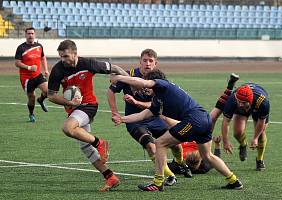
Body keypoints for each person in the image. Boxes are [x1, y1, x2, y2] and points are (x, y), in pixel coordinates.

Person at [110, 69, 243, 191]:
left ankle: (157, 182)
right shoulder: (158, 99)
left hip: (193, 120)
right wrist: (122, 119)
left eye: (147, 86)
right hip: (204, 119)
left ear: (153, 83)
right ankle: (234, 181)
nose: (145, 89)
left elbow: (141, 82)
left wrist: (120, 78)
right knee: (207, 156)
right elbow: (143, 115)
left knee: (160, 143)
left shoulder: (163, 84)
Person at [47, 39, 128, 192]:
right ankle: (110, 177)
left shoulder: (88, 64)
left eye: (65, 56)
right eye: (61, 57)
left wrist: (130, 82)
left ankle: (100, 143)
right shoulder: (58, 70)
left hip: (89, 106)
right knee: (86, 148)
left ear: (75, 53)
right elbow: (51, 95)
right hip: (74, 109)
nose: (63, 60)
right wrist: (69, 102)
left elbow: (114, 68)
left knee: (67, 128)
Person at [107, 49, 191, 187]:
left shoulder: (159, 80)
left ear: (155, 63)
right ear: (140, 61)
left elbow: (155, 105)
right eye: (145, 60)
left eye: (150, 61)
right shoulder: (130, 76)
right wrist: (115, 112)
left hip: (155, 118)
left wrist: (136, 102)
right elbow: (110, 91)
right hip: (135, 120)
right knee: (151, 147)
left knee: (175, 144)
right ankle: (170, 176)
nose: (147, 63)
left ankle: (181, 163)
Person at [166, 73, 239, 175]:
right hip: (196, 133)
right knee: (167, 119)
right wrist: (217, 145)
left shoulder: (180, 166)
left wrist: (217, 145)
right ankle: (229, 88)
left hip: (187, 132)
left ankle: (165, 90)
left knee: (213, 116)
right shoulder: (204, 167)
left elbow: (163, 164)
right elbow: (215, 160)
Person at [221, 83, 270, 171]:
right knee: (237, 132)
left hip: (257, 108)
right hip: (245, 107)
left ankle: (260, 159)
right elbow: (225, 121)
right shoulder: (233, 100)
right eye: (238, 101)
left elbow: (261, 122)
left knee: (261, 135)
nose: (240, 104)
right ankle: (243, 145)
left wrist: (255, 138)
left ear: (249, 101)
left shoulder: (262, 102)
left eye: (243, 102)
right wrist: (225, 141)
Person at [15, 27, 49, 122]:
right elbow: (17, 63)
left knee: (48, 92)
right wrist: (29, 67)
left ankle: (41, 100)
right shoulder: (21, 48)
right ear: (25, 35)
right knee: (31, 98)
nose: (30, 35)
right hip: (26, 78)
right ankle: (31, 114)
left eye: (32, 33)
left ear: (34, 35)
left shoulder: (39, 46)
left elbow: (43, 58)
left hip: (37, 75)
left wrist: (46, 70)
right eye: (29, 33)